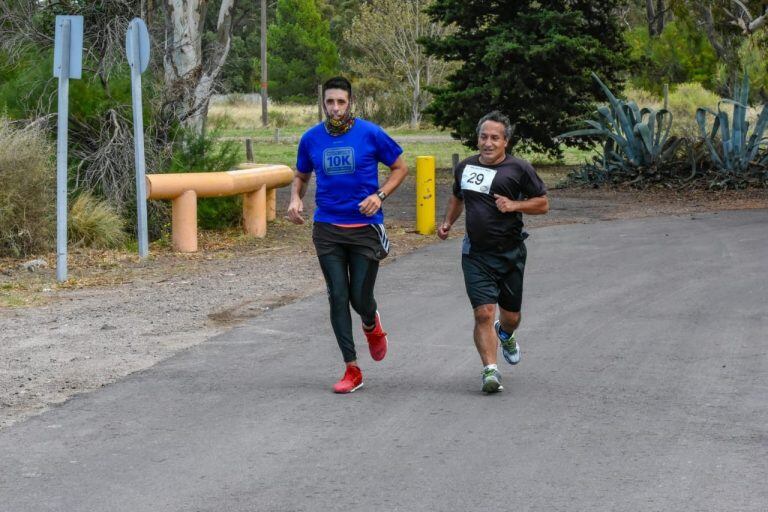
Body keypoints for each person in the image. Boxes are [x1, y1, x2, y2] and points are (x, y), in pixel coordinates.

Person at [287, 76, 408, 394]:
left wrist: (379, 196)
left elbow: (400, 168)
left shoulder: (370, 133)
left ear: (350, 102)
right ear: (323, 103)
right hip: (327, 227)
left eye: (341, 102)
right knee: (337, 295)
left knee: (360, 298)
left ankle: (371, 323)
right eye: (330, 102)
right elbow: (300, 174)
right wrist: (295, 197)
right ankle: (352, 368)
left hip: (365, 229)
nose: (335, 108)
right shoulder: (311, 138)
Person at [437, 111, 549, 393]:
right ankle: (490, 370)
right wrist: (448, 221)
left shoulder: (519, 169)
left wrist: (514, 205)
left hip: (510, 253)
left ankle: (507, 334)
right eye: (483, 137)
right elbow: (457, 195)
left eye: (494, 138)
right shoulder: (465, 167)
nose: (487, 143)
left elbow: (542, 204)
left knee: (510, 316)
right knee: (483, 313)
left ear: (505, 142)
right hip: (475, 253)